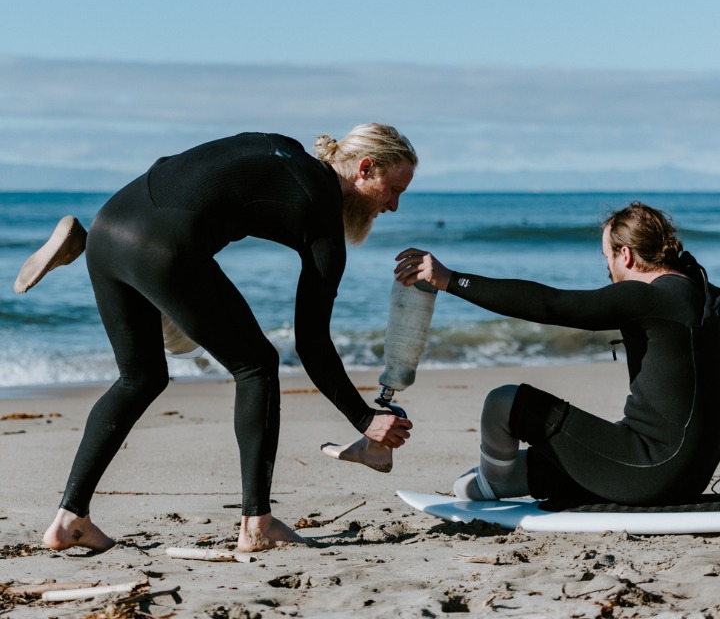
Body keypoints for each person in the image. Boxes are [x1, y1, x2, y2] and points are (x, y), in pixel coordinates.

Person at [41, 124, 416, 553]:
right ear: (365, 169)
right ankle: (257, 525)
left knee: (140, 377)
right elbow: (311, 342)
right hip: (163, 245)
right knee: (256, 365)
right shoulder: (323, 213)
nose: (394, 205)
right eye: (393, 190)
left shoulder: (282, 146)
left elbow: (181, 168)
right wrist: (364, 419)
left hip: (109, 227)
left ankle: (70, 519)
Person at [395, 202, 720, 507]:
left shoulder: (649, 295)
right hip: (689, 476)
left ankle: (496, 481)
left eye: (606, 256)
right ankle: (499, 480)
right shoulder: (704, 295)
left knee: (504, 403)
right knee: (465, 485)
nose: (607, 267)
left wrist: (449, 279)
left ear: (626, 255)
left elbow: (551, 303)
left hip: (649, 469)